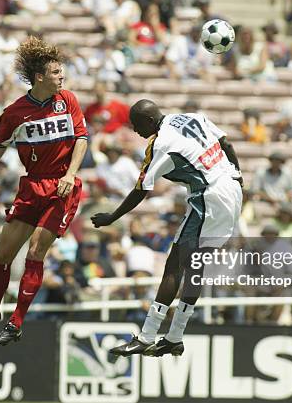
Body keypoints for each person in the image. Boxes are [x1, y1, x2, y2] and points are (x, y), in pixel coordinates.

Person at [91, 99, 243, 356]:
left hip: (210, 196)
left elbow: (141, 190)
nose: (136, 132)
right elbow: (226, 144)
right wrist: (239, 177)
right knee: (196, 263)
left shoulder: (159, 144)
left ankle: (147, 335)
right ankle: (174, 336)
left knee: (174, 265)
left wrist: (112, 217)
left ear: (149, 121)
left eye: (137, 125)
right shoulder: (193, 116)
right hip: (231, 186)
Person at [0, 37, 88, 346]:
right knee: (3, 254)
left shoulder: (68, 100)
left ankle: (16, 321)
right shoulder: (15, 112)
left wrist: (71, 175)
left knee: (35, 251)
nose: (62, 76)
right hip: (32, 185)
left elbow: (82, 139)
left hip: (61, 186)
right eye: (57, 72)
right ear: (40, 77)